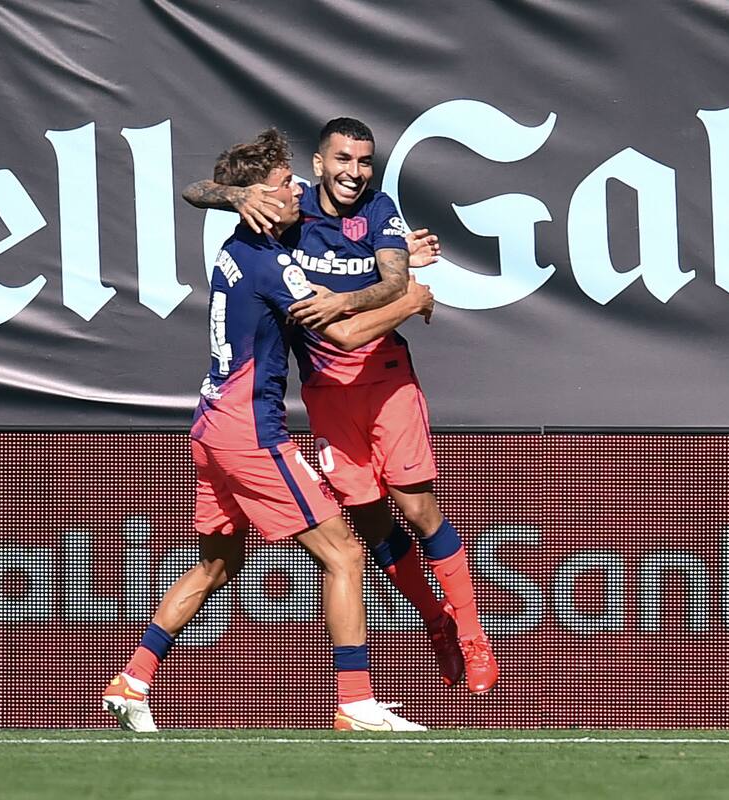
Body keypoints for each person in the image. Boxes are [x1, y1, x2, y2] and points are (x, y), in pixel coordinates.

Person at [103, 129, 435, 732]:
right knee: (344, 554)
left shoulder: (236, 246)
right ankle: (354, 702)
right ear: (261, 195)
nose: (298, 193)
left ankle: (134, 678)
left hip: (207, 424)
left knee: (215, 565)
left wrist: (391, 257)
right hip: (248, 432)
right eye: (287, 185)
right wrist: (410, 300)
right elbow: (345, 334)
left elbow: (205, 194)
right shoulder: (271, 263)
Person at [182, 118, 498, 694]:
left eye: (364, 161)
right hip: (325, 393)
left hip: (386, 382)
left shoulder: (378, 209)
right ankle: (436, 622)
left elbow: (393, 280)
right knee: (372, 520)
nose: (355, 172)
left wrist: (356, 295)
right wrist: (234, 193)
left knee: (418, 508)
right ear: (318, 165)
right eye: (343, 160)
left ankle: (474, 637)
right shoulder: (290, 213)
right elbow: (194, 191)